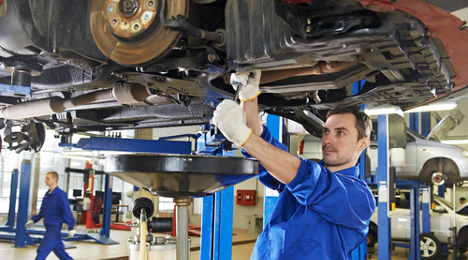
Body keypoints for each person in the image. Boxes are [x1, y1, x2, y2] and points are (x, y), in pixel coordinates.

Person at [212, 70, 376, 259]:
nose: (328, 139)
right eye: (326, 131)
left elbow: (307, 179)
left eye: (340, 133)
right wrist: (248, 98)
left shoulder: (359, 197)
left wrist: (242, 136)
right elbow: (267, 155)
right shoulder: (297, 175)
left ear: (362, 143)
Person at [25, 171, 76, 260]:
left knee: (42, 251)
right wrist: (33, 220)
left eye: (47, 178)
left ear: (55, 179)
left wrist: (71, 227)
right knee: (61, 253)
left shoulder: (61, 194)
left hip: (54, 228)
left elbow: (67, 211)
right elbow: (43, 212)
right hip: (49, 227)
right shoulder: (47, 195)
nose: (45, 180)